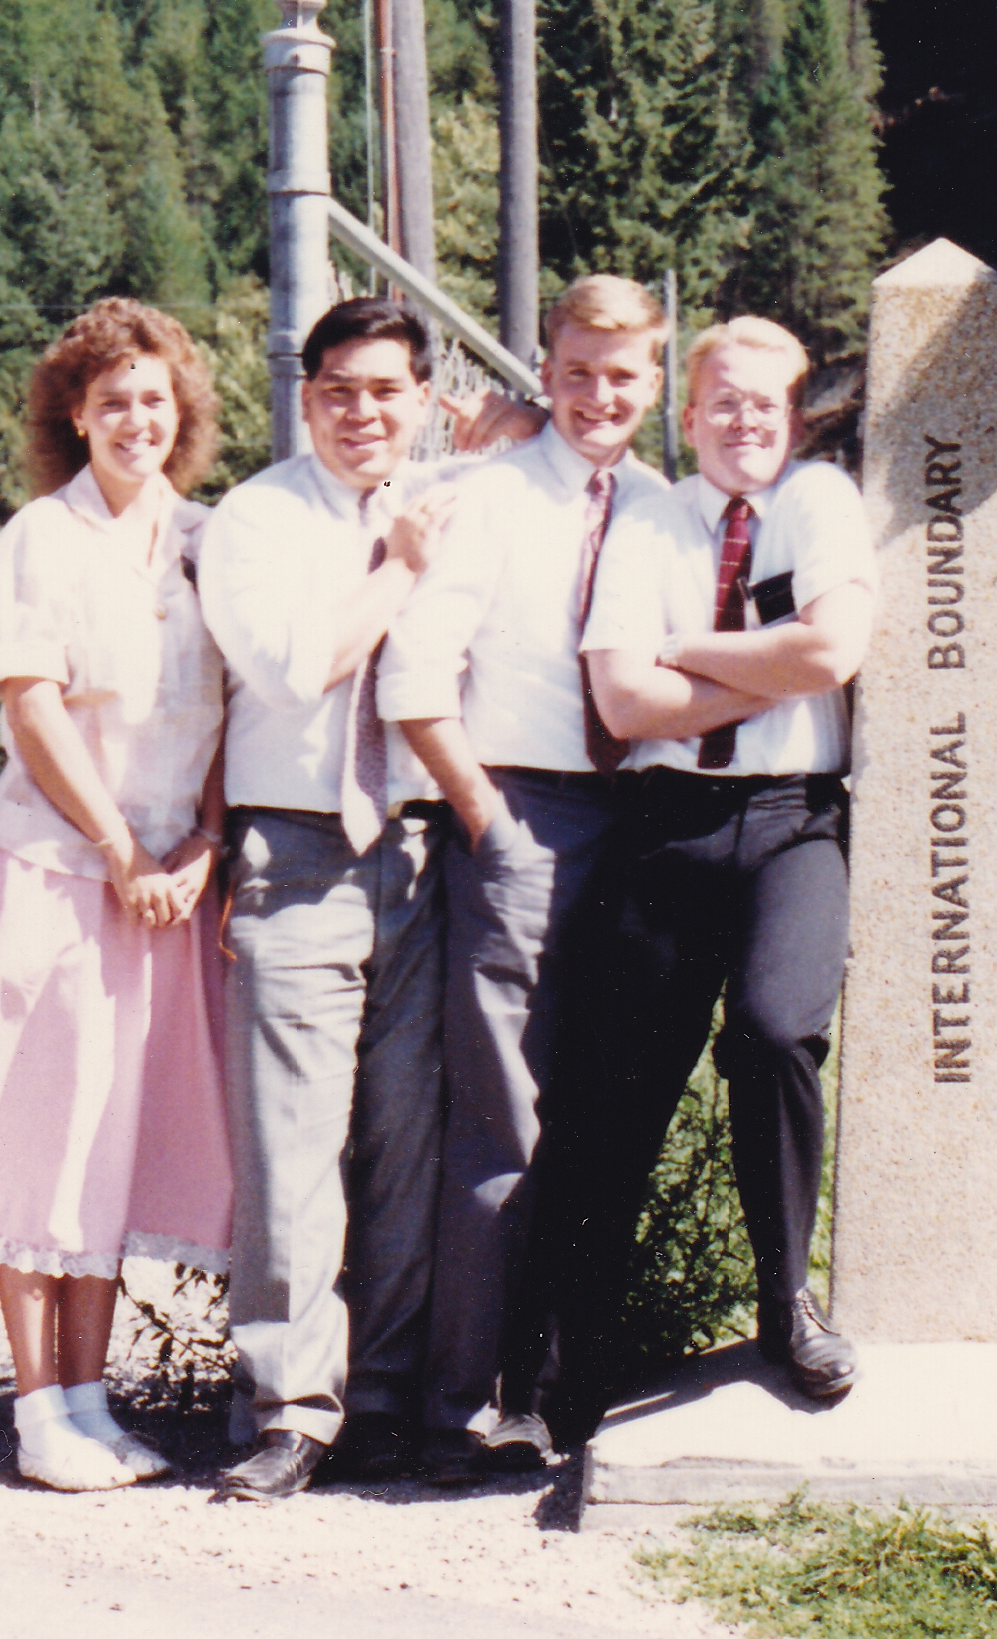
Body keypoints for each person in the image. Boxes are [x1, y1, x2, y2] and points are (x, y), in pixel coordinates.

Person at [535, 314, 874, 1429]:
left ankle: (787, 1303)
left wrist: (681, 644)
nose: (742, 420)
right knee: (617, 1086)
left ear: (795, 414)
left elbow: (831, 651)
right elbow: (623, 704)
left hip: (791, 821)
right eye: (721, 400)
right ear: (687, 416)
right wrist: (760, 664)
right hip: (666, 822)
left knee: (776, 1031)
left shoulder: (819, 500)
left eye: (764, 403)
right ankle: (570, 1354)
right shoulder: (651, 515)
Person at [0, 299, 237, 1489]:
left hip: (167, 884)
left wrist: (200, 837)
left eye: (155, 399)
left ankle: (93, 1400)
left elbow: (234, 706)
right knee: (41, 1134)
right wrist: (119, 846)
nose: (136, 420)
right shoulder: (38, 541)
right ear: (73, 413)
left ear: (182, 412)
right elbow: (31, 704)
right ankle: (37, 1408)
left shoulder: (210, 536)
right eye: (113, 402)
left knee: (113, 1136)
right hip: (61, 872)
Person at [373, 272, 674, 1481]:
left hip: (644, 818)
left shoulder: (662, 504)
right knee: (503, 1119)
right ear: (543, 371)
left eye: (625, 374)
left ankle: (557, 1393)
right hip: (523, 809)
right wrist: (489, 818)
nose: (601, 395)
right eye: (580, 370)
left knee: (597, 1122)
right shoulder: (482, 494)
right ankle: (454, 1409)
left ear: (654, 380)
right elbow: (413, 680)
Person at [198, 295, 472, 1501]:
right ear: (304, 395)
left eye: (388, 390)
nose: (364, 411)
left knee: (405, 1142)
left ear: (422, 398)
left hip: (418, 847)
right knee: (290, 1149)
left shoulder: (458, 497)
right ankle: (288, 1407)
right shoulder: (254, 517)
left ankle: (384, 1401)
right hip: (297, 851)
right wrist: (401, 566)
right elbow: (295, 664)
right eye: (340, 389)